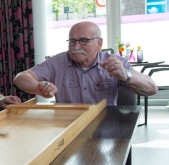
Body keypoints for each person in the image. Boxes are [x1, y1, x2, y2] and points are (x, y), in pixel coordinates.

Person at [13, 21, 157, 105]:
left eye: (83, 41)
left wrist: (126, 75)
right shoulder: (57, 62)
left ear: (99, 43)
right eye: (72, 41)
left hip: (106, 126)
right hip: (68, 127)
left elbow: (152, 89)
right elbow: (20, 78)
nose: (76, 47)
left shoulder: (115, 63)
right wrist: (38, 88)